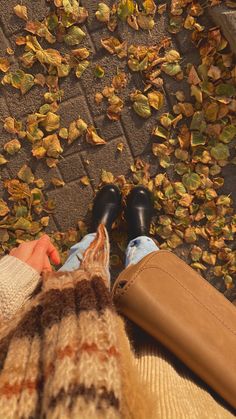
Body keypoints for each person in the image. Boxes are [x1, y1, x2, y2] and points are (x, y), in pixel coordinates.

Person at [0, 185, 234, 418]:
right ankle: (140, 237)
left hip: (55, 332)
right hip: (186, 373)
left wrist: (6, 289)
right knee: (151, 288)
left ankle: (97, 234)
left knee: (79, 271)